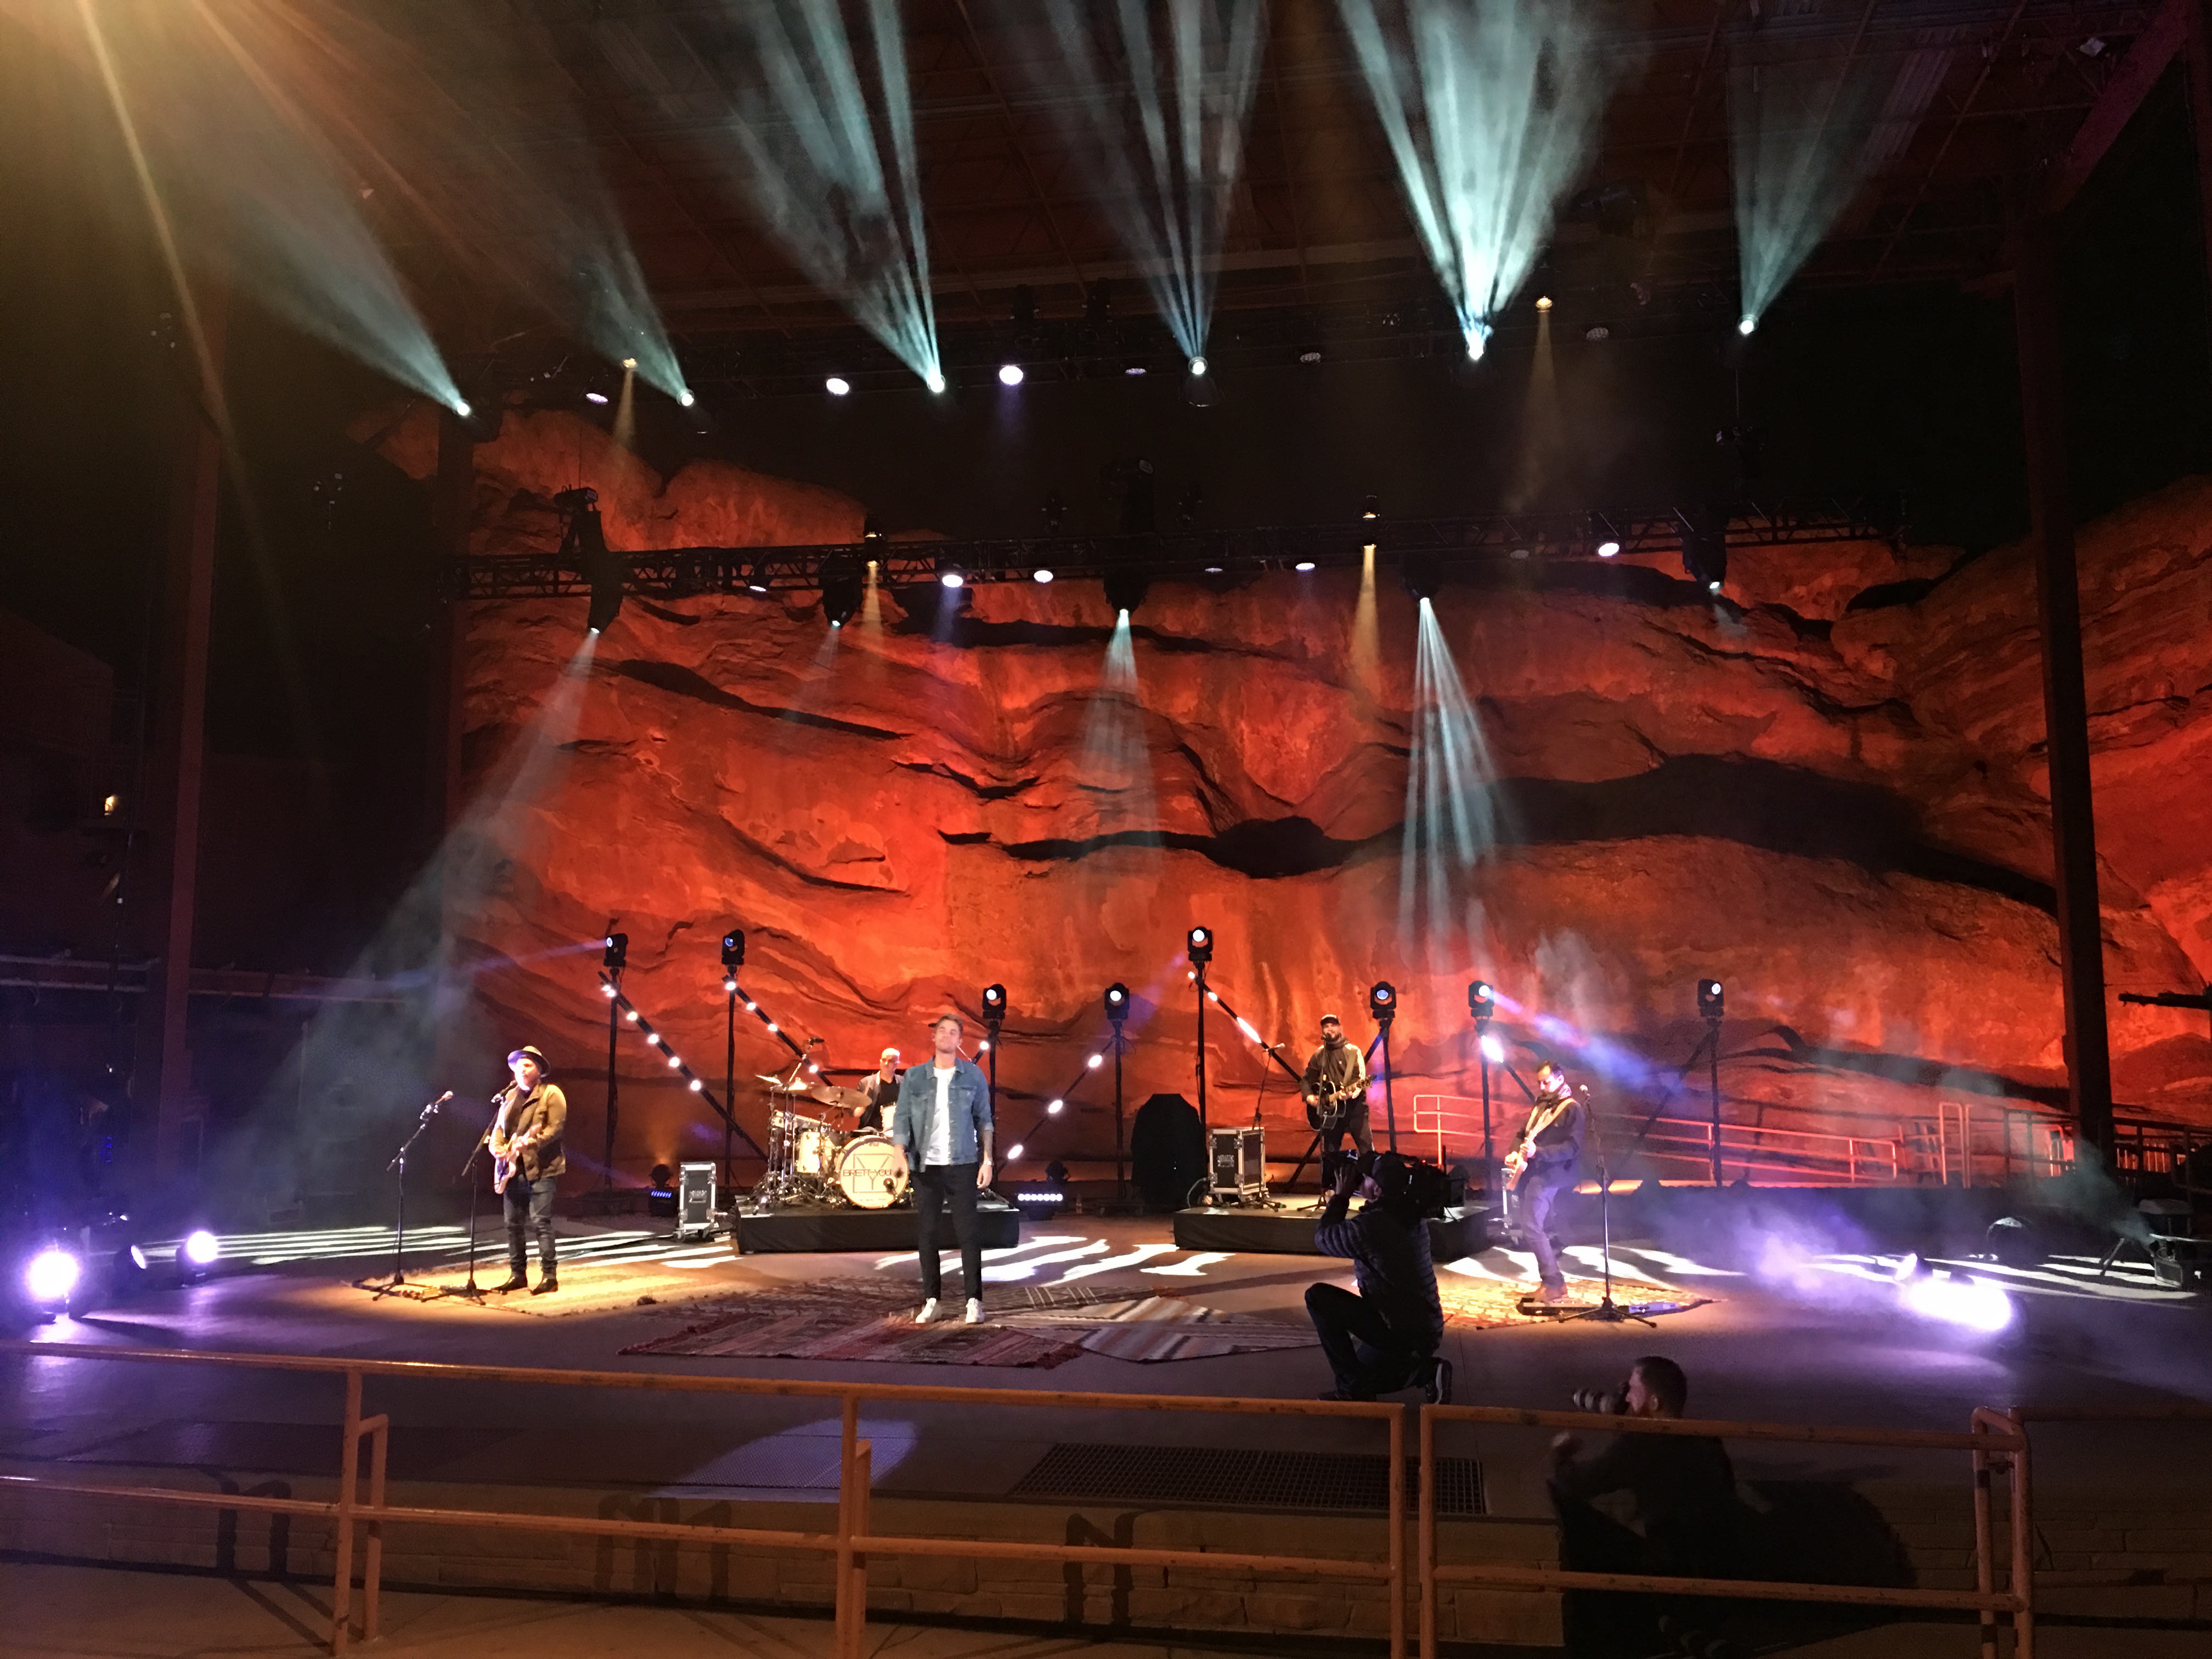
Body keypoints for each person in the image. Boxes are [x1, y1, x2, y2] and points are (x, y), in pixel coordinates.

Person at [1549, 1356, 1747, 1657]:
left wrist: (1562, 1455)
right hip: (1722, 1560)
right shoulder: (1707, 1439)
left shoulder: (1643, 1444)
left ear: (1654, 1402)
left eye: (1632, 1389)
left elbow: (1576, 1484)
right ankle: (1687, 1629)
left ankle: (1661, 1626)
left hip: (1675, 1559)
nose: (1625, 1397)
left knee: (1574, 1514)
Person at [1305, 1150, 1450, 1403]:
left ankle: (1357, 1390)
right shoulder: (1409, 1215)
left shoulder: (1374, 1226)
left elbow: (1324, 1239)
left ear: (1378, 1191)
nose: (1359, 1180)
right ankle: (1424, 1370)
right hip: (1424, 1326)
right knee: (1363, 1367)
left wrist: (1340, 1197)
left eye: (1366, 1178)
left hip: (1403, 1330)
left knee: (1318, 1298)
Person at [889, 1014, 994, 1325]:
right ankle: (932, 1300)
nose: (947, 1036)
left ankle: (974, 1301)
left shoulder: (974, 1076)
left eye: (953, 1032)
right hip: (925, 1166)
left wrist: (987, 1160)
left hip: (963, 1163)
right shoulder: (915, 1077)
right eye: (942, 1031)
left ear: (960, 1041)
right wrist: (898, 1152)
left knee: (969, 1234)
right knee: (928, 1233)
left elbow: (985, 1121)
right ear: (933, 1037)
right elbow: (902, 1117)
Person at [489, 1045, 567, 1295]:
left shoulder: (551, 1094)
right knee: (513, 1224)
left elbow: (555, 1129)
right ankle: (517, 1275)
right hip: (513, 1170)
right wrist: (497, 1147)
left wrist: (530, 1142)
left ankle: (549, 1277)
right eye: (518, 1066)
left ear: (539, 1070)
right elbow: (498, 1130)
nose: (522, 1070)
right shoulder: (510, 1097)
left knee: (540, 1222)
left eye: (528, 1065)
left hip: (542, 1169)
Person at [1506, 1059, 1584, 1303]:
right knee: (1534, 1225)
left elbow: (1572, 1148)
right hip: (1533, 1171)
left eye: (1546, 1082)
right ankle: (1554, 1283)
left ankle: (1553, 1282)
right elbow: (1524, 1133)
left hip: (1551, 1174)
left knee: (1530, 1225)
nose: (1541, 1087)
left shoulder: (1573, 1109)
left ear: (1560, 1079)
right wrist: (1514, 1151)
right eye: (1539, 1082)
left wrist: (1539, 1153)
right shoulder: (1541, 1104)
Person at [1301, 1014, 1370, 1194]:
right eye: (1325, 1026)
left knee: (1366, 1149)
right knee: (1330, 1152)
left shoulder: (1353, 1051)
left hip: (1355, 1109)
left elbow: (1360, 1079)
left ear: (1340, 1028)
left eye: (1333, 1025)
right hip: (1332, 1112)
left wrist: (1350, 1094)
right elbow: (1307, 1079)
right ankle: (1330, 1191)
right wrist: (1310, 1098)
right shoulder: (1319, 1054)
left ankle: (1374, 1192)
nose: (1329, 1029)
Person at [856, 1047, 900, 1133]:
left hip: (896, 1132)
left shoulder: (904, 1084)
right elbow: (855, 1113)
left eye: (890, 1061)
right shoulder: (866, 1083)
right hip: (871, 1131)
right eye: (884, 1060)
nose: (886, 1063)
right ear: (880, 1062)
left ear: (897, 1064)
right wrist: (864, 1104)